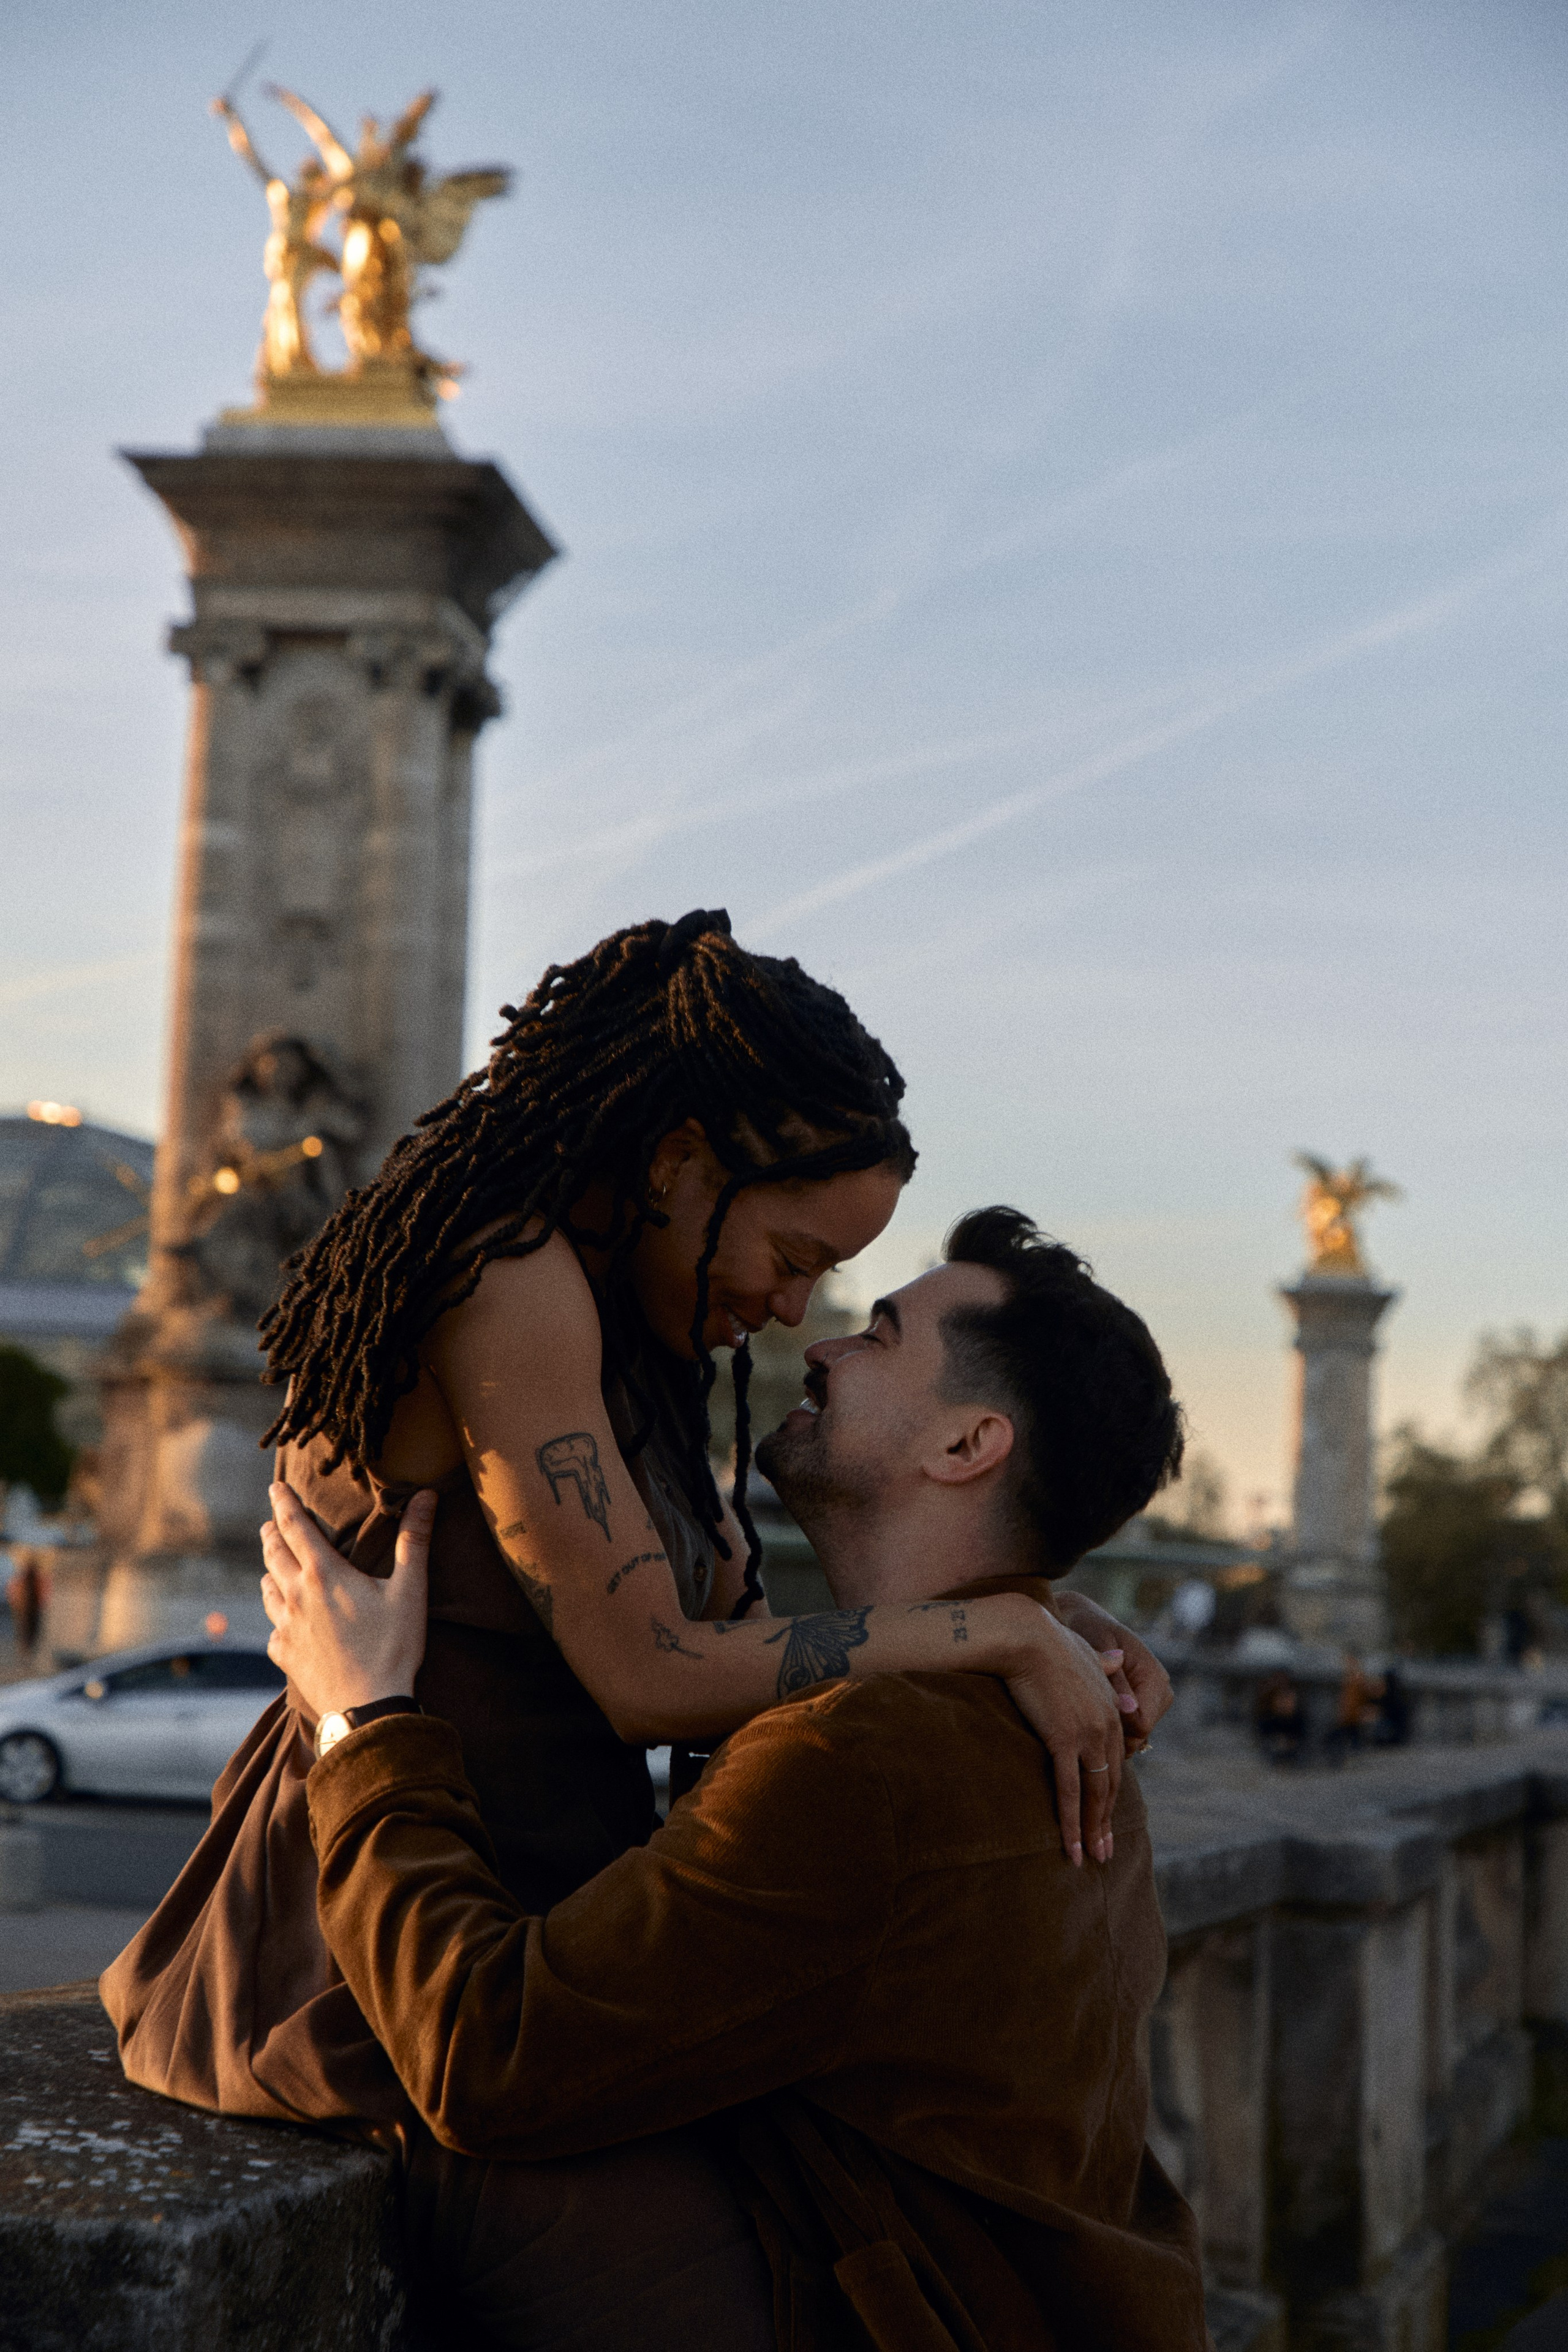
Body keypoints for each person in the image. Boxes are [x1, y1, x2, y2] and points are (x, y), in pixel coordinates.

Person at [104, 914, 1169, 2132]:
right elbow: (650, 1678)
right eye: (789, 1254)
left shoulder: (646, 1343)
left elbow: (746, 1653)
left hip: (518, 1947)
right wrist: (991, 1632)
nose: (788, 1311)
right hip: (359, 1961)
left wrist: (1041, 1607)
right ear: (675, 1165)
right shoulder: (506, 1271)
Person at [260, 1207, 1205, 2351]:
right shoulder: (1049, 1706)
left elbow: (487, 2055)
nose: (821, 1342)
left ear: (966, 1447)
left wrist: (364, 1722)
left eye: (884, 1337)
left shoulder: (869, 1754)